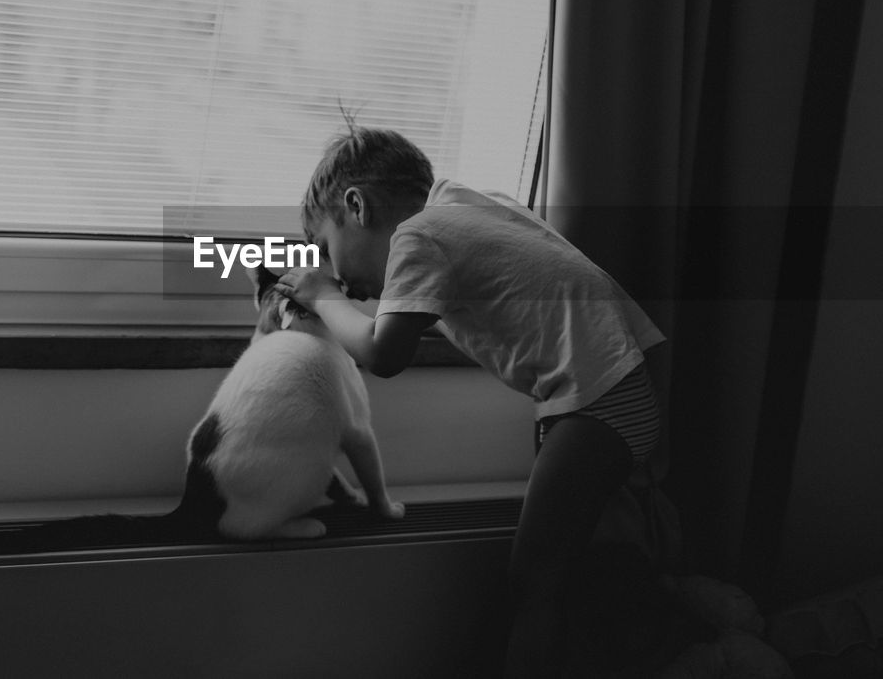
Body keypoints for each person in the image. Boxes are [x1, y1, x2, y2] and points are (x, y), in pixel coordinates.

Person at [276, 126, 665, 678]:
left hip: (596, 401)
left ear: (356, 207)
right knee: (583, 567)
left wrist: (322, 294)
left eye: (325, 248)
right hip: (616, 390)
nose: (339, 273)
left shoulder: (417, 237)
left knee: (535, 583)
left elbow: (384, 354)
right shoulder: (467, 209)